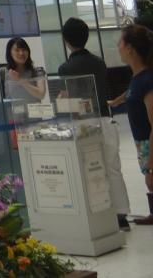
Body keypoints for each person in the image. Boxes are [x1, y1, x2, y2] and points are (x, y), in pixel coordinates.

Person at [60, 17, 133, 229]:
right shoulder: (99, 63)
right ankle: (121, 215)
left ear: (66, 40)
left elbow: (68, 98)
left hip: (83, 123)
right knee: (113, 168)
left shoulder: (65, 68)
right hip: (105, 118)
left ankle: (96, 214)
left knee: (89, 168)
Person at [111, 24, 153, 226]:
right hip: (142, 143)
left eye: (120, 42)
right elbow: (131, 93)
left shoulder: (147, 80)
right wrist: (114, 102)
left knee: (150, 179)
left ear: (130, 48)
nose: (117, 46)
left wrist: (151, 165)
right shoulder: (138, 78)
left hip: (149, 142)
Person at [3, 36, 46, 101]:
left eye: (24, 50)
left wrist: (20, 80)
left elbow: (41, 95)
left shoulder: (38, 71)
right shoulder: (3, 72)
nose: (21, 53)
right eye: (17, 50)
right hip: (12, 107)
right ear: (10, 53)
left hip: (33, 107)